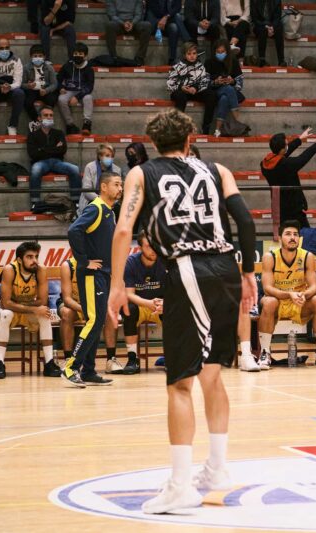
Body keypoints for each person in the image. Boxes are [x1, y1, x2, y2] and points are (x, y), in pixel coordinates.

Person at [108, 108, 257, 514]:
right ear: (190, 139)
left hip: (188, 268)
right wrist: (248, 273)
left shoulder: (141, 174)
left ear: (154, 143)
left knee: (179, 383)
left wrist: (118, 285)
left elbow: (124, 229)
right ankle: (217, 470)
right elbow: (245, 222)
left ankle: (180, 486)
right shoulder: (219, 170)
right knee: (211, 373)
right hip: (226, 268)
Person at [61, 171, 122, 387]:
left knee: (97, 321)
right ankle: (70, 367)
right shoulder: (95, 208)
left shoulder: (109, 212)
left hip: (103, 274)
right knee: (94, 321)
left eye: (121, 185)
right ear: (104, 187)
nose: (120, 189)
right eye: (116, 184)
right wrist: (84, 261)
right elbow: (73, 230)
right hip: (91, 275)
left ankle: (88, 371)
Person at [258, 221, 316, 366]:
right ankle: (265, 353)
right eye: (288, 234)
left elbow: (314, 286)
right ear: (280, 238)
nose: (292, 238)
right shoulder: (270, 257)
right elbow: (267, 289)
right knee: (269, 301)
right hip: (278, 302)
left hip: (299, 301)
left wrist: (304, 294)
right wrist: (289, 294)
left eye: (295, 234)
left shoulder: (307, 256)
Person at [0, 241, 62, 380]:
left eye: (36, 256)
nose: (34, 260)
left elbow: (42, 300)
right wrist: (32, 308)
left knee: (45, 314)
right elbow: (6, 303)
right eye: (29, 257)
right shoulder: (9, 269)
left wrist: (26, 306)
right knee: (6, 314)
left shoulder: (40, 270)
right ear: (19, 259)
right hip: (7, 309)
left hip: (24, 307)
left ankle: (49, 363)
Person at [57, 255, 120, 373]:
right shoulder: (68, 266)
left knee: (110, 313)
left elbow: (108, 293)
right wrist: (88, 309)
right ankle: (68, 358)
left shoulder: (102, 263)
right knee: (66, 313)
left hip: (93, 303)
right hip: (74, 305)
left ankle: (111, 359)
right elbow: (67, 299)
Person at [260, 128, 316, 229]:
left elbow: (282, 154)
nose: (288, 146)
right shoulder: (285, 164)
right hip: (293, 205)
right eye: (286, 144)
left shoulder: (264, 163)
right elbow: (302, 159)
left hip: (277, 203)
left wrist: (300, 139)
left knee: (284, 232)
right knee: (305, 233)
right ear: (282, 149)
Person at [120, 230, 167, 375]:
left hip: (159, 306)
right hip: (140, 305)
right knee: (128, 309)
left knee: (174, 309)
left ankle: (171, 356)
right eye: (148, 246)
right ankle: (132, 359)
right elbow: (129, 294)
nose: (153, 249)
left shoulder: (166, 261)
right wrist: (148, 303)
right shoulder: (131, 263)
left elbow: (176, 290)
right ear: (140, 248)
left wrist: (166, 303)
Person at [27, 106, 81, 210]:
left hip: (57, 162)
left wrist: (42, 149)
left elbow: (62, 150)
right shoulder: (33, 135)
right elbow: (33, 153)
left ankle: (76, 201)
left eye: (51, 115)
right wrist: (54, 149)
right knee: (35, 170)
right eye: (46, 115)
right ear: (39, 118)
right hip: (40, 162)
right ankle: (35, 202)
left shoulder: (59, 133)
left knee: (75, 169)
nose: (49, 117)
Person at [168, 41, 218, 135]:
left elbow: (205, 81)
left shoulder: (200, 66)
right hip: (181, 91)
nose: (192, 56)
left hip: (195, 92)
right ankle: (178, 127)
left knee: (212, 95)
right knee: (180, 96)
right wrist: (181, 87)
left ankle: (206, 127)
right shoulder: (177, 67)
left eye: (194, 53)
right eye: (189, 54)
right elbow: (170, 83)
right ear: (184, 55)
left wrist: (195, 88)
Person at [204, 39, 245, 137]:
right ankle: (238, 122)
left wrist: (232, 81)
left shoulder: (233, 61)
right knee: (228, 90)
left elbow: (240, 83)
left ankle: (217, 130)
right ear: (214, 51)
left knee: (225, 98)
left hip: (232, 91)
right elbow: (204, 83)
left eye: (222, 52)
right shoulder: (209, 62)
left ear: (227, 51)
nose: (220, 54)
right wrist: (215, 82)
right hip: (215, 91)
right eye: (218, 52)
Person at [57, 42, 95, 135]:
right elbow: (57, 79)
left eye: (80, 54)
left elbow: (89, 87)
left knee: (88, 98)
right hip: (68, 90)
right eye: (75, 53)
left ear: (85, 56)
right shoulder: (67, 66)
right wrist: (60, 87)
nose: (77, 56)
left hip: (82, 92)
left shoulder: (89, 69)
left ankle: (87, 124)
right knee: (61, 99)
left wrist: (77, 97)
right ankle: (70, 125)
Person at [22, 44, 58, 132]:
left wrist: (46, 90)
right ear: (31, 57)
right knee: (27, 102)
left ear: (44, 57)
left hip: (45, 89)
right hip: (32, 90)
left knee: (52, 99)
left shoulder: (49, 68)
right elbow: (21, 84)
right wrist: (28, 86)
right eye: (35, 56)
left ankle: (46, 118)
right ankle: (36, 120)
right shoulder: (26, 68)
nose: (38, 58)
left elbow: (54, 84)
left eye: (40, 56)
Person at [105, 0, 152, 65]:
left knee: (147, 25)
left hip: (134, 24)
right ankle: (113, 57)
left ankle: (140, 57)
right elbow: (112, 15)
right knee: (110, 25)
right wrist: (123, 23)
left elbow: (138, 15)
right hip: (118, 24)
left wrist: (132, 23)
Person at [80, 144, 122, 215]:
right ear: (100, 156)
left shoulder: (117, 170)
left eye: (112, 156)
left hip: (111, 203)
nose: (110, 158)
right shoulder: (90, 167)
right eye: (107, 156)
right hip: (92, 201)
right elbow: (87, 190)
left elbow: (118, 191)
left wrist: (111, 202)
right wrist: (103, 200)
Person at [146, 0, 186, 65]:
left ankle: (172, 59)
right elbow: (156, 12)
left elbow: (177, 7)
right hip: (156, 23)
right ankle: (188, 41)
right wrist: (167, 16)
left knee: (174, 27)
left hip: (168, 21)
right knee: (177, 17)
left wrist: (166, 16)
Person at [251, 0, 285, 67]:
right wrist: (266, 26)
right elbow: (255, 18)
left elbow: (277, 17)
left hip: (272, 25)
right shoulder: (254, 1)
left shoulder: (277, 1)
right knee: (262, 30)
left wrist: (272, 27)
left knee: (279, 28)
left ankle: (281, 60)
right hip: (259, 25)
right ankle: (262, 59)